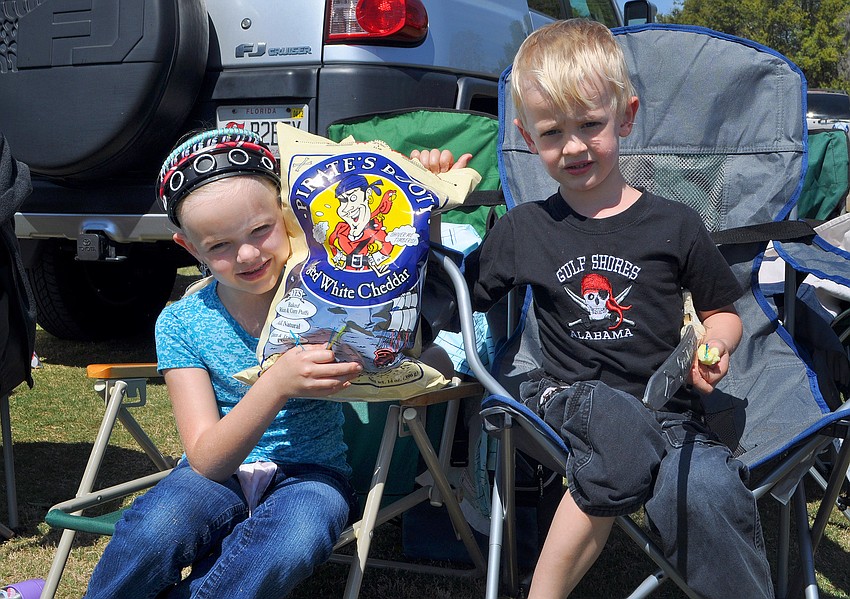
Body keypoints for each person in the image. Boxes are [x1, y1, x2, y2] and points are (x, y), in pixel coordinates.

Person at [453, 19, 774, 599]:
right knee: (616, 424)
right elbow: (451, 298)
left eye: (591, 125)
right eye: (552, 133)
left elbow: (724, 312)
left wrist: (715, 344)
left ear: (625, 117)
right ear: (528, 137)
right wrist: (428, 193)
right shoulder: (526, 228)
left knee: (704, 488)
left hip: (666, 413)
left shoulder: (674, 224)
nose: (573, 146)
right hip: (563, 401)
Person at [83, 128, 364, 598]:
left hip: (313, 474)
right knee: (153, 532)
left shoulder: (331, 296)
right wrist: (275, 385)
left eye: (260, 230)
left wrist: (429, 192)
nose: (248, 254)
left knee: (289, 542)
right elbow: (209, 460)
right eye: (219, 246)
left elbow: (400, 267)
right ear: (190, 249)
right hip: (216, 471)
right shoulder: (182, 323)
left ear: (287, 214)